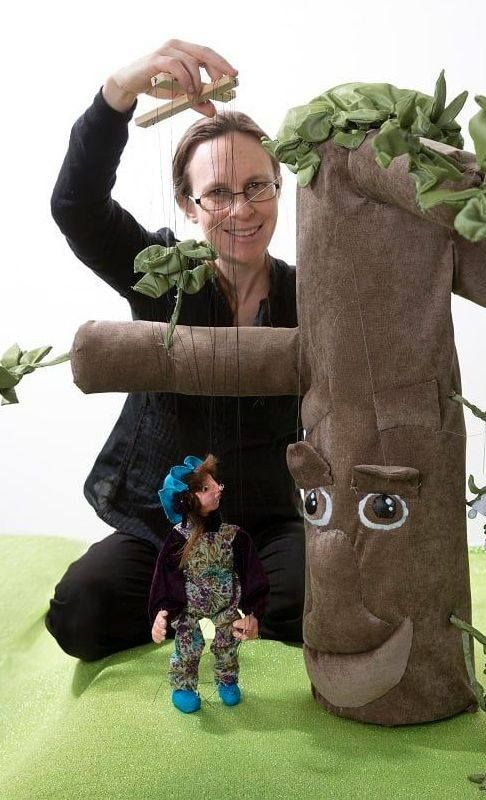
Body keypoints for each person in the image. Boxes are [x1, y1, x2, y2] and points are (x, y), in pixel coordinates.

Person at [46, 41, 304, 661]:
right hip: (163, 527)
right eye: (217, 193)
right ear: (189, 206)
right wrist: (120, 90)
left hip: (263, 527)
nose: (240, 209)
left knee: (316, 598)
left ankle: (221, 600)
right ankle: (193, 597)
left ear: (278, 188)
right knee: (80, 612)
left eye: (257, 186)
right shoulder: (165, 277)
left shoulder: (308, 294)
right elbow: (76, 207)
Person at [150, 454, 269, 713]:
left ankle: (227, 680)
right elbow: (166, 576)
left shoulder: (235, 537)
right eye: (205, 488)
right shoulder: (178, 538)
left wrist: (253, 612)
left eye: (215, 483)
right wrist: (162, 611)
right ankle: (183, 685)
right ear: (187, 499)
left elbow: (252, 574)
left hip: (226, 601)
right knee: (187, 643)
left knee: (227, 641)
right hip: (188, 604)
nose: (217, 489)